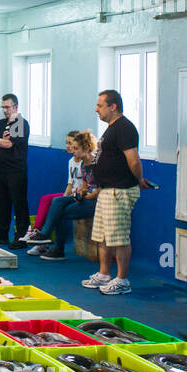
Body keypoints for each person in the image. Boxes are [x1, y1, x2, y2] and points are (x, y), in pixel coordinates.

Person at [82, 89, 153, 294]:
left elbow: (133, 159)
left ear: (113, 107)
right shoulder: (111, 128)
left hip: (120, 191)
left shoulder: (125, 128)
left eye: (100, 105)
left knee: (119, 237)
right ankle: (104, 274)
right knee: (104, 235)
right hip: (106, 190)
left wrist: (138, 180)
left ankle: (122, 280)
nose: (96, 109)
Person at [28, 130, 99, 261]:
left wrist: (85, 196)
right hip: (85, 197)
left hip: (96, 202)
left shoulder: (97, 164)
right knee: (57, 202)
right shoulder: (83, 163)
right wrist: (81, 193)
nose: (73, 150)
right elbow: (84, 186)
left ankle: (56, 247)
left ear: (87, 148)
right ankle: (45, 235)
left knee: (59, 213)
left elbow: (99, 191)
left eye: (77, 148)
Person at [22, 129, 83, 249]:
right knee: (46, 199)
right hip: (71, 194)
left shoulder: (83, 162)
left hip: (79, 195)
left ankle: (43, 240)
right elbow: (70, 184)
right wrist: (64, 198)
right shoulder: (71, 161)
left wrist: (64, 200)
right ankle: (36, 232)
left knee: (57, 205)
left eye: (71, 143)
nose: (68, 146)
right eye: (67, 143)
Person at [0, 94, 30, 249]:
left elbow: (8, 144)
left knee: (19, 203)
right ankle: (1, 234)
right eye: (3, 107)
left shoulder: (20, 123)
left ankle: (22, 236)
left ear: (15, 107)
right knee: (1, 203)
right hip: (0, 171)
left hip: (16, 171)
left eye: (7, 107)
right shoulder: (1, 123)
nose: (4, 110)